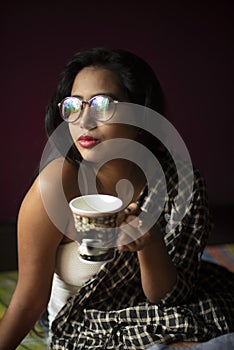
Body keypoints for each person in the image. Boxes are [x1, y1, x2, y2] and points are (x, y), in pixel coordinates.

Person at [0, 47, 233, 350]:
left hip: (163, 312)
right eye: (74, 106)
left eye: (101, 105)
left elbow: (169, 297)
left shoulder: (180, 182)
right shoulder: (55, 185)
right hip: (85, 324)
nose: (85, 121)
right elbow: (27, 302)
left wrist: (150, 243)